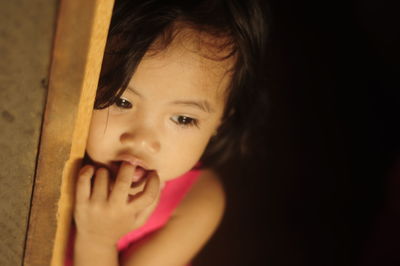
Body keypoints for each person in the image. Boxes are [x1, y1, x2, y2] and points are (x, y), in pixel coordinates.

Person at [66, 0, 268, 265]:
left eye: (183, 119)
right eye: (121, 101)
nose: (142, 140)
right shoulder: (60, 135)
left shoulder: (196, 202)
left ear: (221, 120)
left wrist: (97, 240)